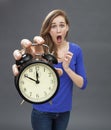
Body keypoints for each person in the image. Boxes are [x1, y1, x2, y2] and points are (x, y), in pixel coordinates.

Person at [12, 9, 87, 130]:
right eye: (53, 26)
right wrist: (23, 65)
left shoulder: (76, 50)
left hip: (64, 112)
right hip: (42, 112)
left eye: (62, 25)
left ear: (67, 27)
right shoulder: (40, 51)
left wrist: (67, 69)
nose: (58, 30)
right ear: (49, 30)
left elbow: (83, 84)